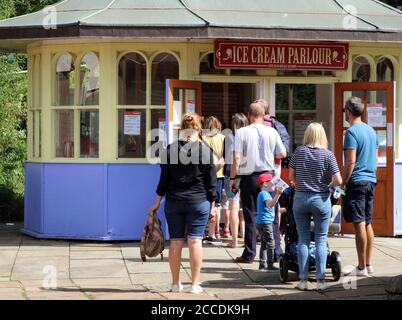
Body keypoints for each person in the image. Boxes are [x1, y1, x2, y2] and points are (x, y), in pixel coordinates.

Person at [150, 113, 216, 294]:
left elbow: (163, 181)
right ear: (199, 129)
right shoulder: (205, 151)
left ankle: (175, 284)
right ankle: (195, 285)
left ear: (181, 128)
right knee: (195, 241)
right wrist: (213, 206)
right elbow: (211, 183)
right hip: (199, 201)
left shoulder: (169, 150)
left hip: (174, 202)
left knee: (175, 242)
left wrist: (156, 202)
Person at [230, 102, 286, 263]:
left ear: (249, 115)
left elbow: (236, 158)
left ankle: (249, 253)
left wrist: (233, 179)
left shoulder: (241, 132)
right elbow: (282, 152)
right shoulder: (272, 132)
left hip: (249, 177)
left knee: (250, 215)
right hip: (268, 177)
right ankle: (276, 251)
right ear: (263, 115)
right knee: (272, 214)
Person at [289, 123, 342, 291]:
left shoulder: (299, 152)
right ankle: (320, 281)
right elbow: (339, 181)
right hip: (321, 199)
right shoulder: (328, 155)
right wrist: (328, 185)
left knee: (303, 239)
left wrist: (300, 184)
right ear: (322, 136)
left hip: (300, 199)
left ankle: (303, 281)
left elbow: (291, 177)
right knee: (320, 239)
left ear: (307, 135)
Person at [341, 96, 378, 277]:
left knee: (359, 223)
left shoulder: (351, 133)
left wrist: (343, 182)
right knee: (368, 222)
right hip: (371, 181)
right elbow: (375, 159)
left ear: (348, 111)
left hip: (356, 182)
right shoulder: (371, 131)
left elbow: (350, 162)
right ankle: (369, 264)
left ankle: (361, 267)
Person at [255, 98, 290, 260]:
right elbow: (285, 150)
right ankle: (275, 248)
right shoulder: (278, 126)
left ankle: (271, 247)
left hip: (262, 173)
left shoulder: (259, 127)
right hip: (274, 172)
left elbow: (284, 151)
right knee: (273, 209)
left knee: (265, 209)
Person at [223, 113, 249, 248]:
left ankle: (234, 241)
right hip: (249, 173)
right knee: (249, 207)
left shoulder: (232, 138)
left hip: (233, 173)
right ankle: (246, 238)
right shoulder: (251, 138)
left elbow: (233, 160)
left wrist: (232, 177)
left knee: (233, 207)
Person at [202, 116, 225, 245]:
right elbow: (223, 159)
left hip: (204, 175)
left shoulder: (203, 138)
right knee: (215, 205)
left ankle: (202, 232)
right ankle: (212, 233)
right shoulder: (222, 138)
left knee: (205, 203)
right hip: (218, 174)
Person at [256, 173, 283, 271]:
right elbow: (270, 205)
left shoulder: (263, 194)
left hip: (261, 222)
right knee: (271, 243)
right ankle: (270, 265)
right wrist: (278, 194)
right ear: (265, 184)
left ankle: (262, 264)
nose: (275, 185)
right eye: (273, 183)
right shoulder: (264, 194)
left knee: (264, 243)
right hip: (265, 223)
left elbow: (269, 207)